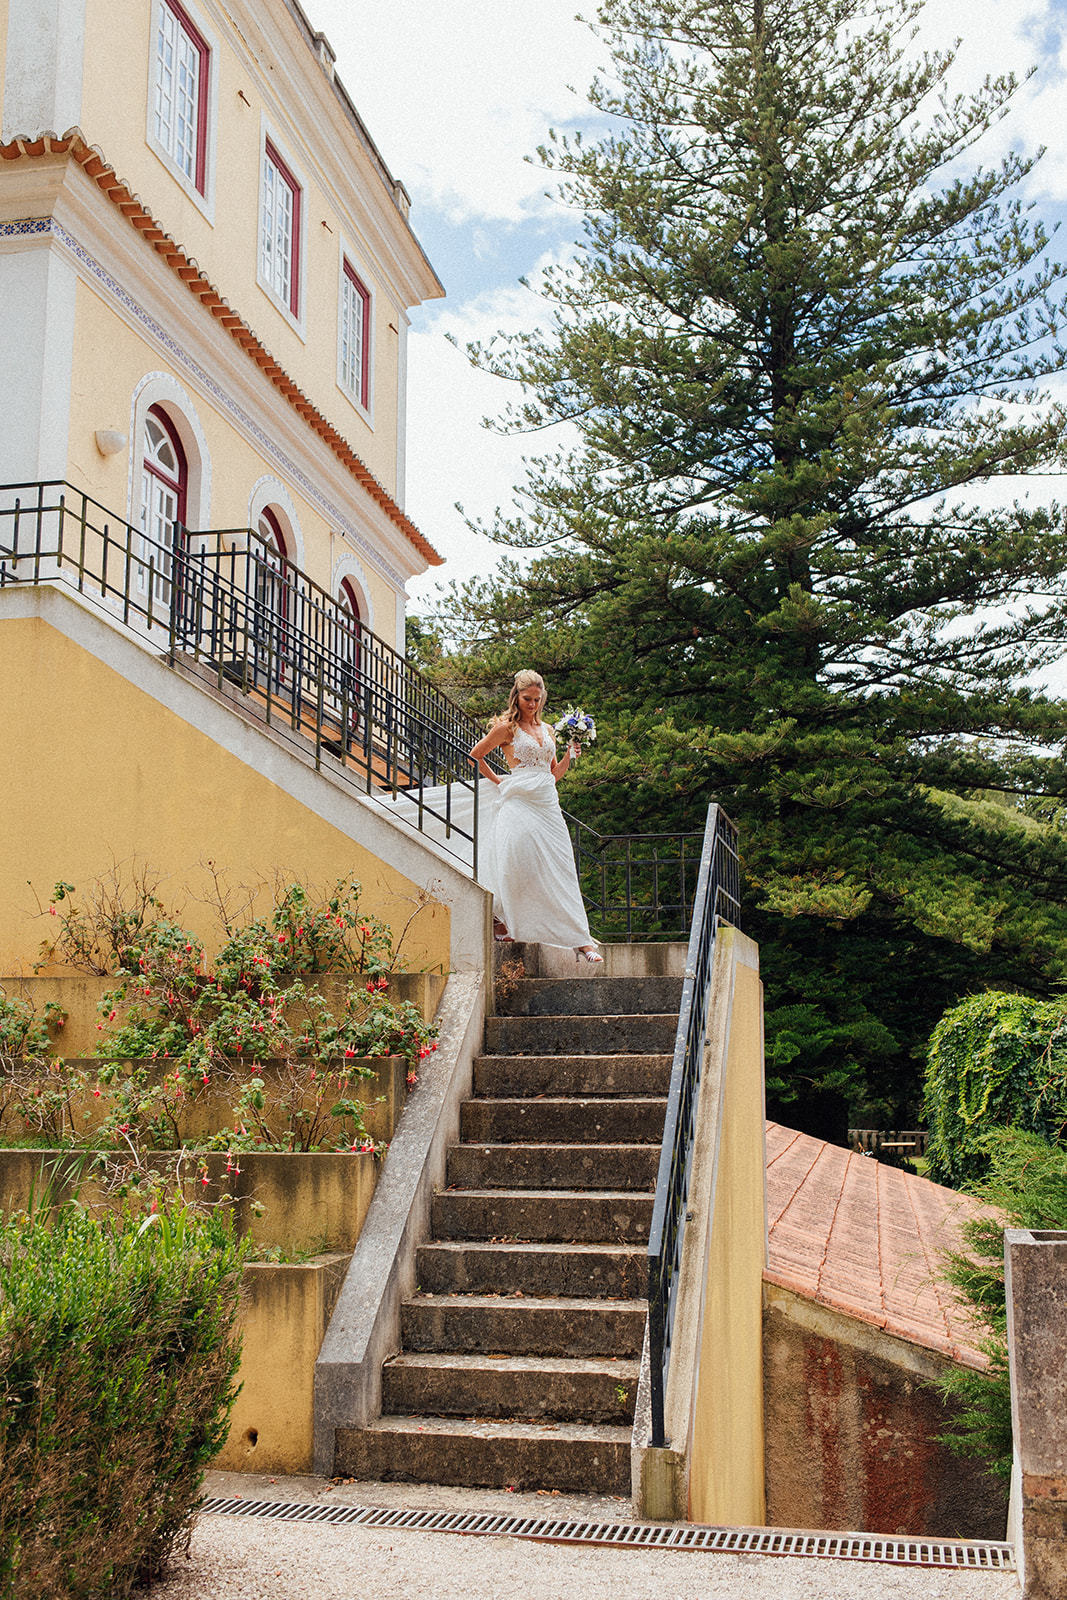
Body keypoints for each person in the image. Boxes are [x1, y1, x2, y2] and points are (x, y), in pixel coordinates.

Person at [468, 670, 603, 962]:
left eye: (537, 699)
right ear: (517, 696)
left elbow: (553, 775)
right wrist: (499, 781)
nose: (532, 704)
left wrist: (569, 756)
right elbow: (475, 755)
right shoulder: (506, 728)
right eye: (527, 699)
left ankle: (580, 939)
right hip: (518, 801)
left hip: (546, 803)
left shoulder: (548, 729)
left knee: (561, 866)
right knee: (518, 862)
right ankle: (505, 920)